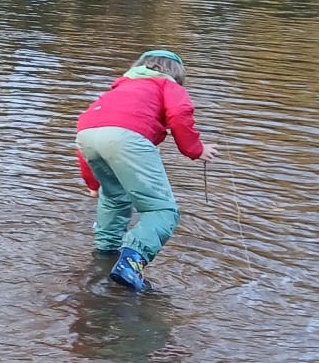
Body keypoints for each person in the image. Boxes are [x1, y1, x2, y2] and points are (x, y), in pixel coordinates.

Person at [74, 47, 216, 292]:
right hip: (127, 137)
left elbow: (91, 133)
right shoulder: (168, 85)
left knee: (114, 198)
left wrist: (93, 184)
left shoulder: (119, 88)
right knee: (163, 210)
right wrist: (196, 150)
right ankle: (130, 262)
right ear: (177, 73)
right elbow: (180, 114)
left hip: (86, 134)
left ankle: (104, 256)